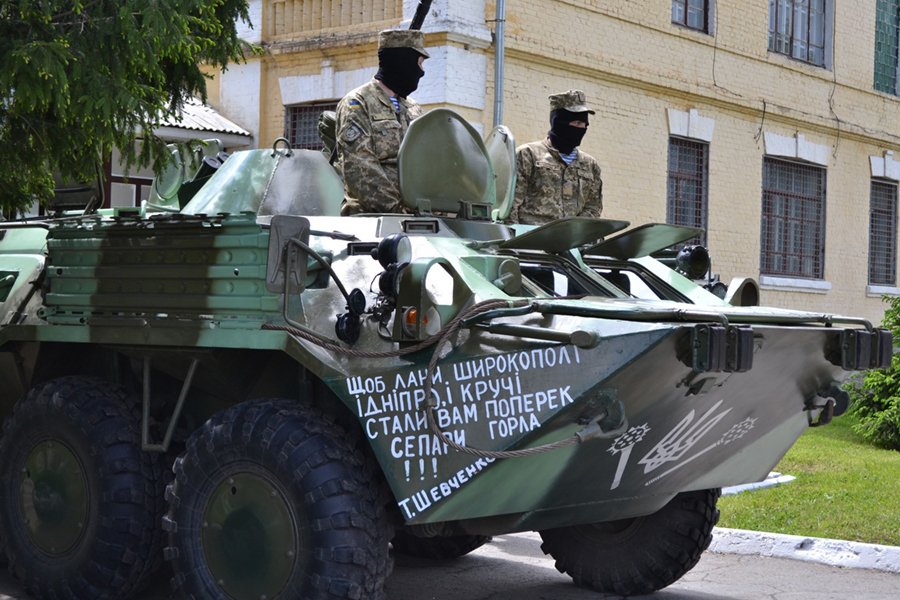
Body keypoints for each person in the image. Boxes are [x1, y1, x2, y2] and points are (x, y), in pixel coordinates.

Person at [334, 29, 429, 215]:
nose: (422, 72)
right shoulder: (357, 103)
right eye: (419, 63)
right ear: (402, 62)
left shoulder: (413, 108)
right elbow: (359, 167)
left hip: (416, 216)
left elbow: (427, 162)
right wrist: (398, 209)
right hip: (371, 217)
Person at [509, 90, 603, 225]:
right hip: (531, 235)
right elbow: (510, 205)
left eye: (585, 125)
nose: (581, 128)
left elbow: (593, 207)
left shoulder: (590, 165)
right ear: (559, 121)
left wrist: (575, 232)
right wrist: (516, 235)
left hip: (571, 237)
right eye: (577, 123)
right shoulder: (527, 155)